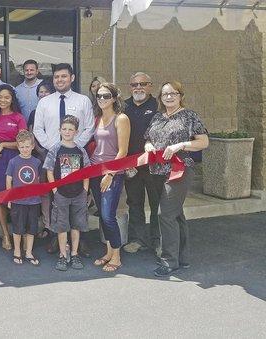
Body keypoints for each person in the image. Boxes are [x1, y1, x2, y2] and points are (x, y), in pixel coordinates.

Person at [145, 81, 208, 277]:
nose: (169, 97)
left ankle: (169, 261)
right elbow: (148, 137)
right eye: (165, 94)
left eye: (173, 93)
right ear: (160, 98)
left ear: (181, 95)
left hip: (179, 169)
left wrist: (180, 145)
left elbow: (203, 142)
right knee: (176, 213)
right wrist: (148, 146)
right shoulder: (157, 117)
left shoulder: (189, 116)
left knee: (165, 214)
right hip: (156, 170)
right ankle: (183, 257)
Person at [89, 83, 131, 273]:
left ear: (114, 98)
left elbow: (123, 151)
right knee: (101, 214)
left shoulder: (121, 118)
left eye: (106, 96)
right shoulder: (97, 118)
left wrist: (111, 173)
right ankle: (108, 252)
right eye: (99, 96)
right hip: (94, 171)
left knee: (108, 216)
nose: (102, 99)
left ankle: (117, 256)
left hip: (112, 173)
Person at [122, 72, 162, 255]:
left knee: (157, 204)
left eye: (142, 84)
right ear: (130, 87)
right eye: (134, 84)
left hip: (155, 165)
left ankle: (158, 241)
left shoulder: (158, 106)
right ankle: (137, 239)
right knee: (135, 203)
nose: (138, 87)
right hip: (132, 166)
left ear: (150, 86)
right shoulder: (124, 107)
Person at [44, 115, 90, 271]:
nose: (67, 132)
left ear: (76, 132)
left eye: (71, 129)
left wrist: (85, 190)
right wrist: (55, 190)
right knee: (62, 226)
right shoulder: (55, 150)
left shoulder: (80, 150)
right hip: (61, 194)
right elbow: (49, 171)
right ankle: (63, 255)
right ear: (59, 130)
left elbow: (86, 172)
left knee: (76, 225)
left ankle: (75, 254)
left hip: (78, 194)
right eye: (64, 129)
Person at [0, 84, 27, 251]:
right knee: (1, 197)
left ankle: (21, 233)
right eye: (0, 97)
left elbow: (24, 142)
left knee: (17, 197)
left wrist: (4, 143)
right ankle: (5, 234)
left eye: (6, 97)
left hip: (17, 159)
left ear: (12, 99)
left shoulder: (18, 117)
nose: (3, 100)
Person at [33, 63, 95, 152]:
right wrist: (51, 146)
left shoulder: (83, 101)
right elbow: (37, 129)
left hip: (77, 152)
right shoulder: (43, 102)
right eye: (56, 77)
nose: (59, 80)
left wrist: (75, 146)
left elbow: (90, 128)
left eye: (64, 76)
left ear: (72, 78)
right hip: (51, 152)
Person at [6, 130, 42, 266]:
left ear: (32, 146)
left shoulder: (37, 162)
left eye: (27, 146)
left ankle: (29, 252)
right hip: (18, 201)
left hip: (33, 201)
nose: (25, 149)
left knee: (32, 228)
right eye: (22, 147)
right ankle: (17, 251)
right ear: (17, 146)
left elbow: (38, 180)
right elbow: (9, 180)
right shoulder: (13, 162)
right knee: (18, 227)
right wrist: (9, 198)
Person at [27, 79, 55, 239]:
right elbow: (32, 133)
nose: (43, 94)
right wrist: (40, 150)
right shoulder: (34, 112)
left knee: (58, 192)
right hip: (39, 156)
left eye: (46, 91)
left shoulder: (58, 109)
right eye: (41, 92)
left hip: (57, 155)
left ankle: (59, 225)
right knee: (44, 193)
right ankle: (47, 225)